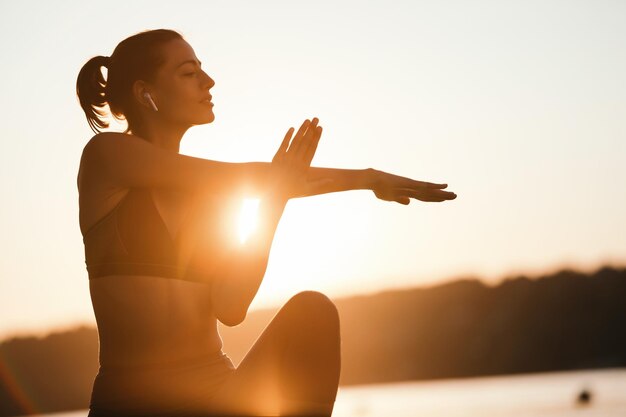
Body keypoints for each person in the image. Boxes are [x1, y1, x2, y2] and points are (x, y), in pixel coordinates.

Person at [75, 28, 457, 417]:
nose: (209, 81)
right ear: (145, 94)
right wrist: (365, 177)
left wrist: (276, 198)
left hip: (217, 395)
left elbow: (231, 305)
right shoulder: (107, 155)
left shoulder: (208, 199)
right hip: (130, 404)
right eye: (189, 73)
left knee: (313, 313)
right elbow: (248, 176)